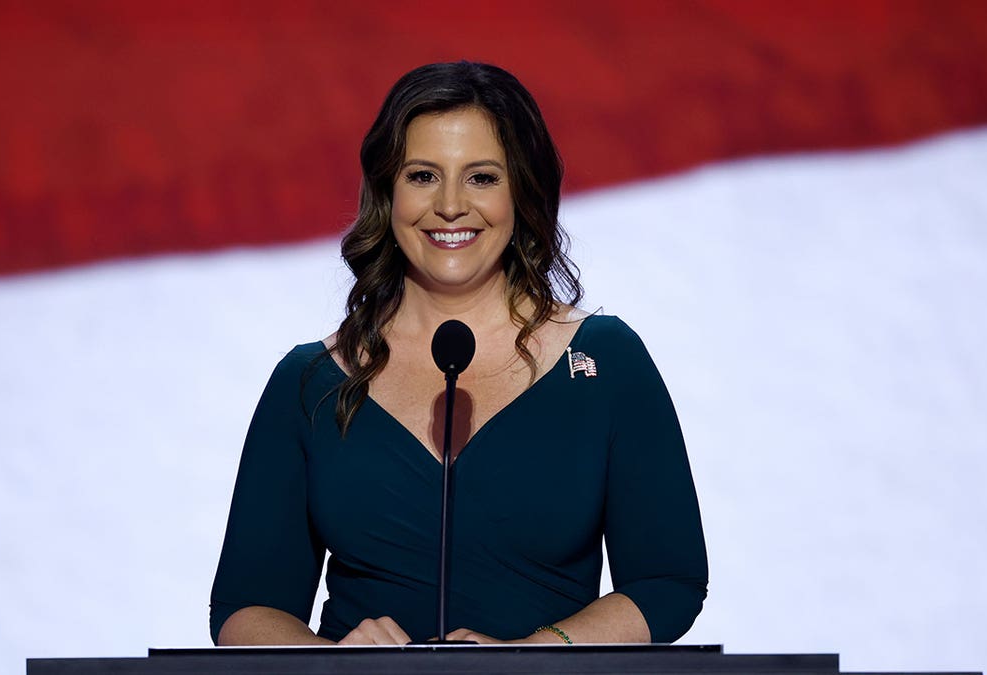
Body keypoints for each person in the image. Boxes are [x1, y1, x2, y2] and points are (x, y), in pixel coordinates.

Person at [209, 61, 707, 646]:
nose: (450, 206)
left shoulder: (605, 363)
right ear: (386, 191)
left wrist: (537, 655)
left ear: (522, 190)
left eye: (482, 178)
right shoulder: (311, 380)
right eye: (423, 175)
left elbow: (666, 582)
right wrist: (333, 662)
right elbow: (246, 608)